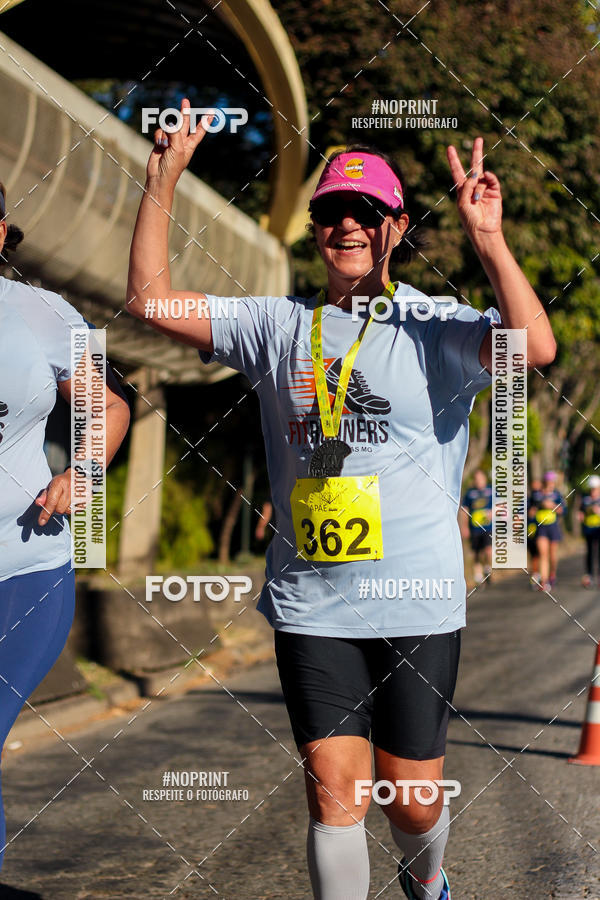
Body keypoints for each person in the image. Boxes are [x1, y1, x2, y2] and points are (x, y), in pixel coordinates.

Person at [126, 100, 556, 900]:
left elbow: (533, 347)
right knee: (335, 793)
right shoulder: (276, 324)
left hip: (417, 599)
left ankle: (427, 878)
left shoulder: (434, 326)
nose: (346, 226)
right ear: (315, 230)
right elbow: (152, 301)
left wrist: (489, 241)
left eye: (365, 212)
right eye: (331, 213)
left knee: (413, 800)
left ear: (396, 226)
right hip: (313, 602)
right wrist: (162, 180)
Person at [0, 181, 130, 866]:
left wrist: (83, 473)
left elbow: (108, 408)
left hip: (23, 570)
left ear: (1, 233)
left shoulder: (43, 313)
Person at [530, 471, 566, 592]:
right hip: (541, 528)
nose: (550, 484)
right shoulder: (537, 495)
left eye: (552, 482)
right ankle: (544, 582)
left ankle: (552, 574)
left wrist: (552, 506)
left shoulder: (557, 495)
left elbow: (562, 510)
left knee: (552, 556)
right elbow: (530, 510)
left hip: (553, 527)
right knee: (543, 554)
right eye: (548, 482)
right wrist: (534, 510)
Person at [460, 469, 493, 586]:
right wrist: (464, 527)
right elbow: (464, 511)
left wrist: (493, 512)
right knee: (476, 553)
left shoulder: (491, 491)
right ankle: (479, 578)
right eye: (477, 479)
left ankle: (487, 568)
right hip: (474, 529)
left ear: (485, 479)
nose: (479, 481)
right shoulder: (470, 494)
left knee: (488, 550)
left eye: (481, 478)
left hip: (488, 528)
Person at [577, 474, 600, 588]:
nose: (593, 491)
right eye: (591, 489)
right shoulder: (586, 499)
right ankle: (589, 576)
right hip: (588, 530)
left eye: (595, 489)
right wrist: (580, 515)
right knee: (590, 553)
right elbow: (580, 511)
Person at [527, 477, 542, 588]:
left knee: (542, 553)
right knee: (534, 555)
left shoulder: (544, 497)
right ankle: (536, 576)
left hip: (543, 529)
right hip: (531, 529)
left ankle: (543, 575)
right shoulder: (527, 500)